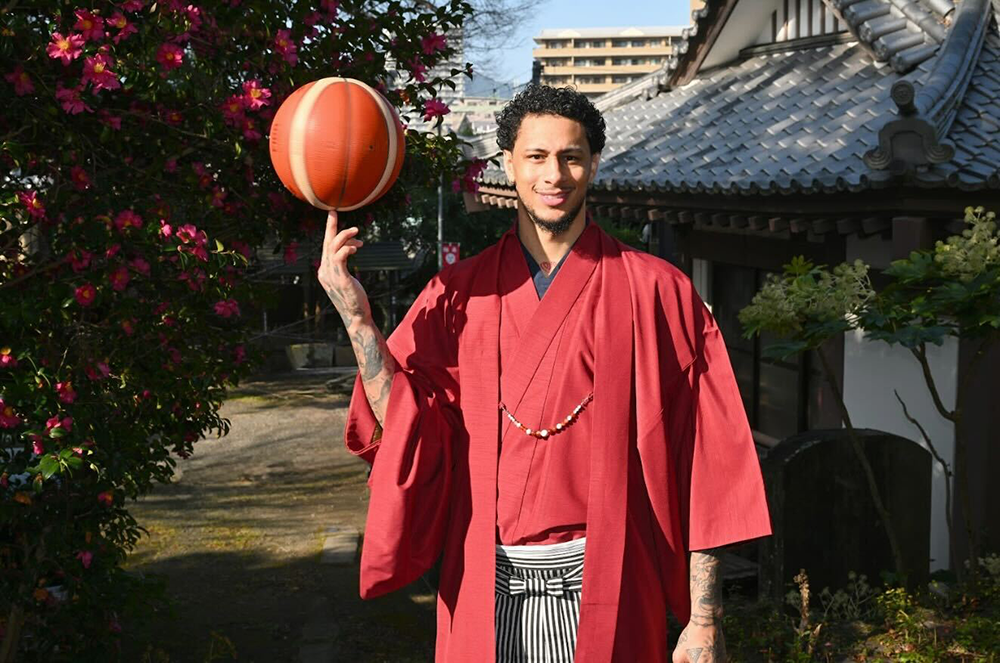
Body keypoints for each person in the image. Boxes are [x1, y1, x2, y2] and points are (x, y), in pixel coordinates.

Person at [318, 84, 771, 662]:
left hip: (610, 582)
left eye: (571, 157)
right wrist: (357, 318)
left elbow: (710, 463)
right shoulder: (457, 293)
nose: (554, 175)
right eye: (536, 156)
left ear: (594, 164)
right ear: (509, 164)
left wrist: (704, 619)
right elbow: (405, 424)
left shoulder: (658, 291)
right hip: (484, 580)